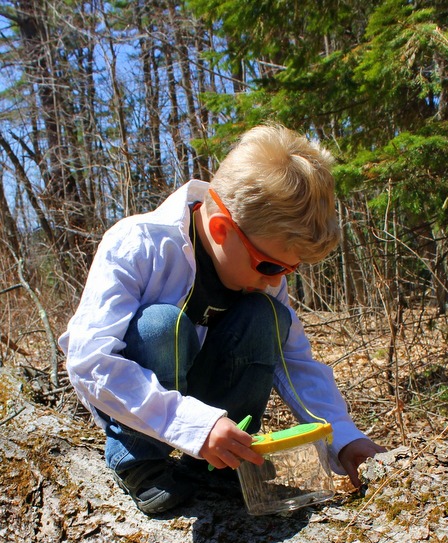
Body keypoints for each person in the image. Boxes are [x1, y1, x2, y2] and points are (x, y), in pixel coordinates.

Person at [59, 124, 384, 516]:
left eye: (290, 270)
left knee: (265, 317)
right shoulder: (140, 245)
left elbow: (296, 363)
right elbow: (89, 361)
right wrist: (194, 426)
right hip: (143, 412)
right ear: (219, 228)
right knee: (161, 326)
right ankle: (138, 458)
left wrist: (345, 438)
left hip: (211, 414)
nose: (276, 279)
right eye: (269, 265)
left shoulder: (263, 277)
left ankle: (222, 461)